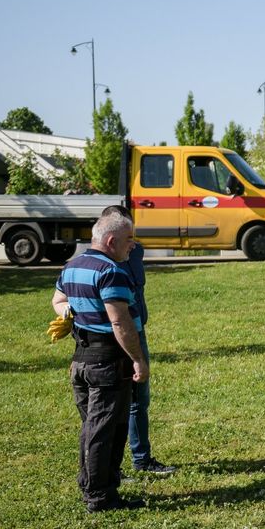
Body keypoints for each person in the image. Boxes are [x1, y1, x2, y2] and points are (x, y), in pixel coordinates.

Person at [50, 212, 148, 512]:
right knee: (104, 430)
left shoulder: (72, 266)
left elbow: (57, 300)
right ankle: (100, 496)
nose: (132, 246)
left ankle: (94, 483)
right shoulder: (111, 271)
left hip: (82, 359)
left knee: (94, 427)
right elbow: (120, 323)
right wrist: (138, 359)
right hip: (107, 362)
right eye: (129, 240)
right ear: (111, 240)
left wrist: (72, 311)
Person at [100, 206, 174, 476]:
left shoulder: (135, 251)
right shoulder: (102, 261)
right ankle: (111, 467)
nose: (131, 243)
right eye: (126, 236)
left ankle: (140, 458)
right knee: (111, 404)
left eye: (132, 235)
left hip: (136, 330)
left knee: (138, 401)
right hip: (111, 335)